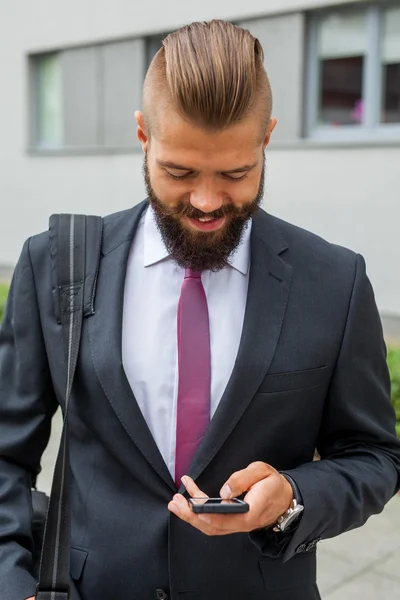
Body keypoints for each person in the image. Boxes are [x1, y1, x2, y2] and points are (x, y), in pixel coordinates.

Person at [1, 19, 399, 600]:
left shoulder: (334, 280)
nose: (208, 202)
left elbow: (375, 457)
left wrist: (293, 494)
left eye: (236, 173)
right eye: (179, 172)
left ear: (268, 137)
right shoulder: (55, 263)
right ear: (143, 135)